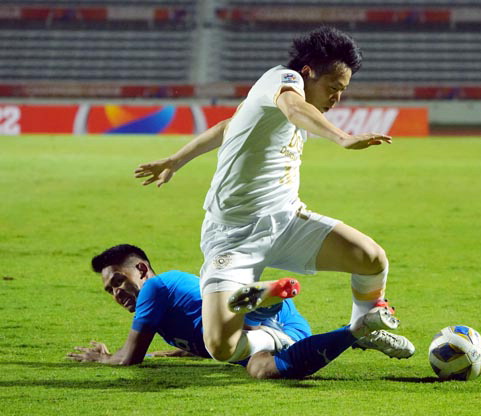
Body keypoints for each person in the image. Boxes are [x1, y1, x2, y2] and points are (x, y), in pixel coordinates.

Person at [134, 26, 407, 364]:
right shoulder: (283, 80)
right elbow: (293, 108)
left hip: (286, 221)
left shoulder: (273, 102)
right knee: (221, 348)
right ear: (307, 72)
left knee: (371, 258)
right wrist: (342, 137)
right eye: (332, 88)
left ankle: (365, 327)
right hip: (233, 236)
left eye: (342, 91)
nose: (337, 98)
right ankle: (274, 330)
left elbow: (228, 127)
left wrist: (175, 160)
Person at [67, 244, 415, 379]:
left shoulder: (155, 288)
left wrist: (103, 358)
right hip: (282, 333)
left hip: (258, 320)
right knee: (259, 368)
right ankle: (357, 331)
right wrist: (188, 350)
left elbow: (129, 359)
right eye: (110, 290)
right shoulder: (166, 303)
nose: (117, 293)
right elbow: (196, 326)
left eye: (119, 281)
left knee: (234, 314)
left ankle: (265, 296)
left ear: (142, 270)